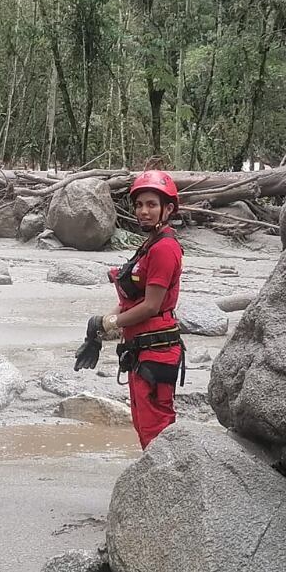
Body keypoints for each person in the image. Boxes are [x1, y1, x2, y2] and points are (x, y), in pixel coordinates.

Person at [73, 169, 185, 449]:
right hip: (142, 350)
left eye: (151, 205)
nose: (143, 211)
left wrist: (110, 324)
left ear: (167, 209)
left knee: (155, 431)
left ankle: (166, 488)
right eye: (139, 205)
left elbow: (151, 306)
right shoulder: (150, 245)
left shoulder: (164, 249)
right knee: (145, 427)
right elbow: (130, 301)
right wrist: (99, 326)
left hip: (156, 353)